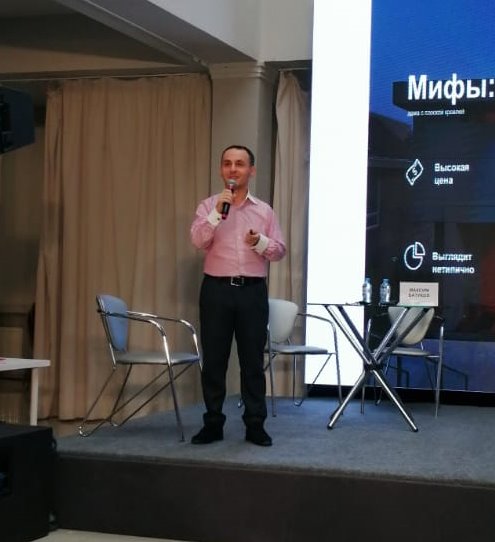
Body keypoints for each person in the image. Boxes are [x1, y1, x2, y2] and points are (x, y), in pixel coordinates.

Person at [190, 144, 286, 446]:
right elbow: (198, 241)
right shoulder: (209, 206)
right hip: (216, 291)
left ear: (251, 171)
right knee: (214, 361)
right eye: (227, 163)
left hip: (252, 292)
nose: (233, 169)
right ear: (222, 169)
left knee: (252, 362)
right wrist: (216, 214)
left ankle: (255, 424)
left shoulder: (264, 210)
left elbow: (279, 251)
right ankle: (213, 423)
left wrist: (259, 242)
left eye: (240, 164)